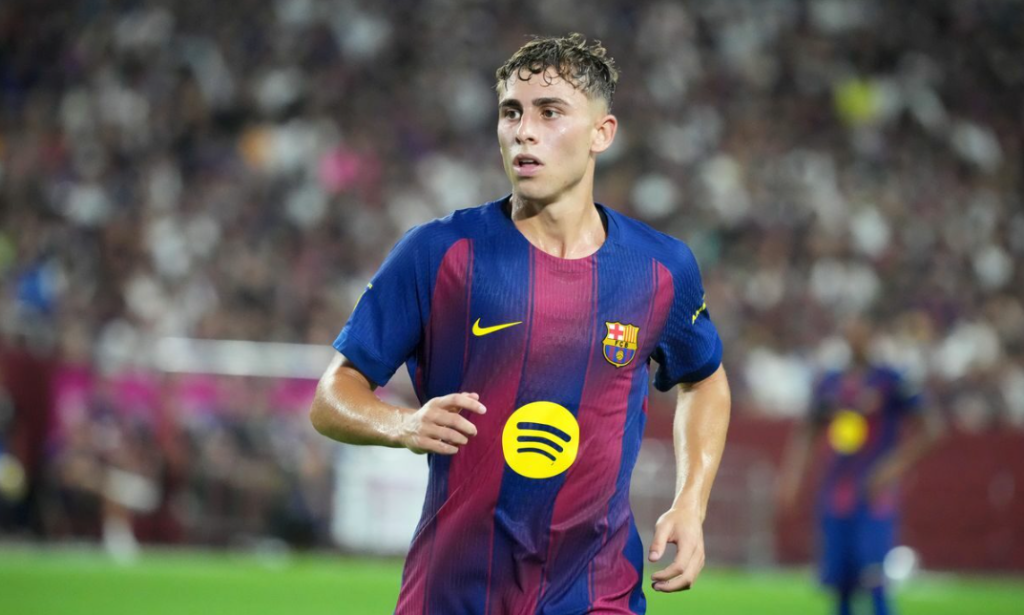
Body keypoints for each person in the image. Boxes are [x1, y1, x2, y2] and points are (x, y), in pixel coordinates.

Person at [310, 33, 731, 614]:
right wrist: (402, 424)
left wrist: (691, 502)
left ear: (602, 133)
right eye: (511, 112)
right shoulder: (439, 252)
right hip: (456, 591)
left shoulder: (660, 269)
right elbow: (332, 394)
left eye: (549, 112)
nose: (523, 131)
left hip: (597, 592)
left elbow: (704, 381)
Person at [778, 318, 943, 615]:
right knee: (840, 582)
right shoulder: (830, 383)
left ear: (873, 336)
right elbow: (808, 430)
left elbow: (932, 427)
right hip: (836, 492)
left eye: (862, 332)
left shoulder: (891, 380)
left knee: (874, 576)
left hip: (874, 491)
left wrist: (894, 465)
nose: (856, 338)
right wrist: (792, 477)